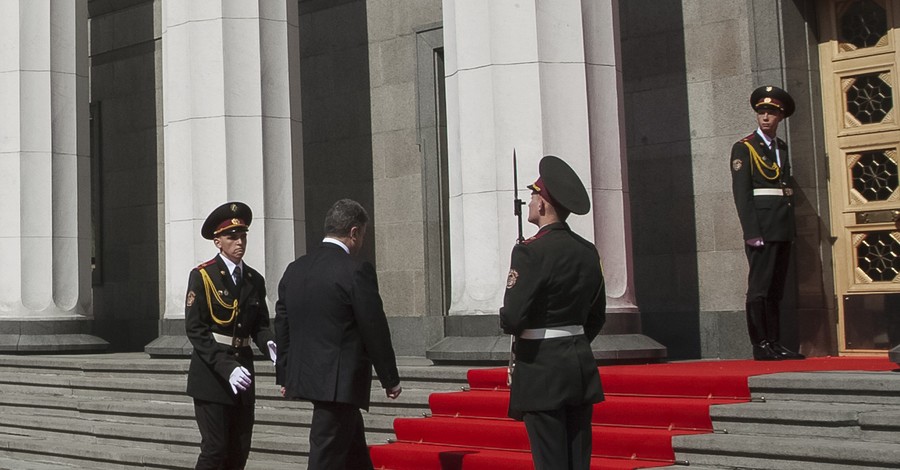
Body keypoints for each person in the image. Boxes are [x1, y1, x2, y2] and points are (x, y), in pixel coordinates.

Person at [275, 198, 402, 469]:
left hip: (309, 375)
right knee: (326, 457)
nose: (362, 242)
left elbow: (283, 325)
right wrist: (390, 378)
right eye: (363, 235)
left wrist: (285, 372)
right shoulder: (356, 270)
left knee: (354, 453)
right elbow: (374, 327)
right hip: (339, 381)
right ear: (354, 232)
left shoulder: (295, 269)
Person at [500, 155, 606, 470]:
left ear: (544, 205)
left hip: (541, 369)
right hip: (577, 364)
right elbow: (597, 316)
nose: (530, 201)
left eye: (534, 195)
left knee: (551, 461)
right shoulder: (587, 251)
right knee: (577, 461)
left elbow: (514, 317)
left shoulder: (530, 251)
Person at [184, 201, 277, 469]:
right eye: (231, 237)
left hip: (243, 371)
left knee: (239, 450)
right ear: (218, 242)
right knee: (215, 450)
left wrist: (270, 343)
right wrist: (227, 367)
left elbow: (259, 324)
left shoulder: (253, 279)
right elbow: (196, 330)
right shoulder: (203, 276)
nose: (239, 242)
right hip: (212, 373)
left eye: (243, 236)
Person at [730, 85, 805, 361]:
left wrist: (790, 230)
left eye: (771, 113)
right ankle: (760, 344)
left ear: (780, 117)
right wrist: (751, 231)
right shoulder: (745, 147)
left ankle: (774, 342)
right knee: (759, 289)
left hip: (781, 228)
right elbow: (742, 194)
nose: (765, 117)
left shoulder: (780, 147)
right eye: (761, 112)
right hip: (761, 229)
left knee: (775, 290)